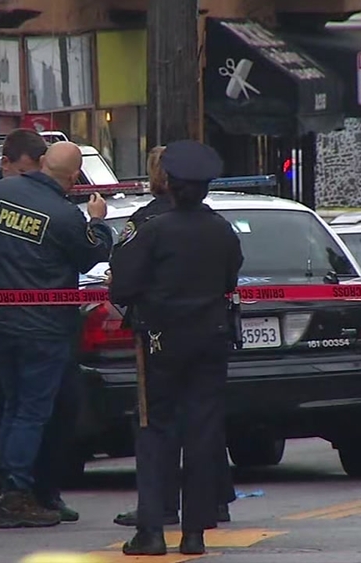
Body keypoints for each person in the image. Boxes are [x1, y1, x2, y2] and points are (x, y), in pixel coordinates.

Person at [0, 142, 113, 528]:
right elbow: (92, 254)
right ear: (73, 177)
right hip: (43, 328)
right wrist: (97, 221)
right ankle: (16, 495)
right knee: (31, 412)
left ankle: (18, 491)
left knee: (13, 408)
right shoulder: (65, 215)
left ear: (43, 162)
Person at [109, 140, 243, 557]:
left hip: (161, 341)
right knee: (203, 434)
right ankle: (194, 533)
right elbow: (229, 279)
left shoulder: (154, 230)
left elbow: (122, 287)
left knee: (154, 432)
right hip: (210, 339)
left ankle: (151, 530)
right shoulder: (221, 230)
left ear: (169, 184)